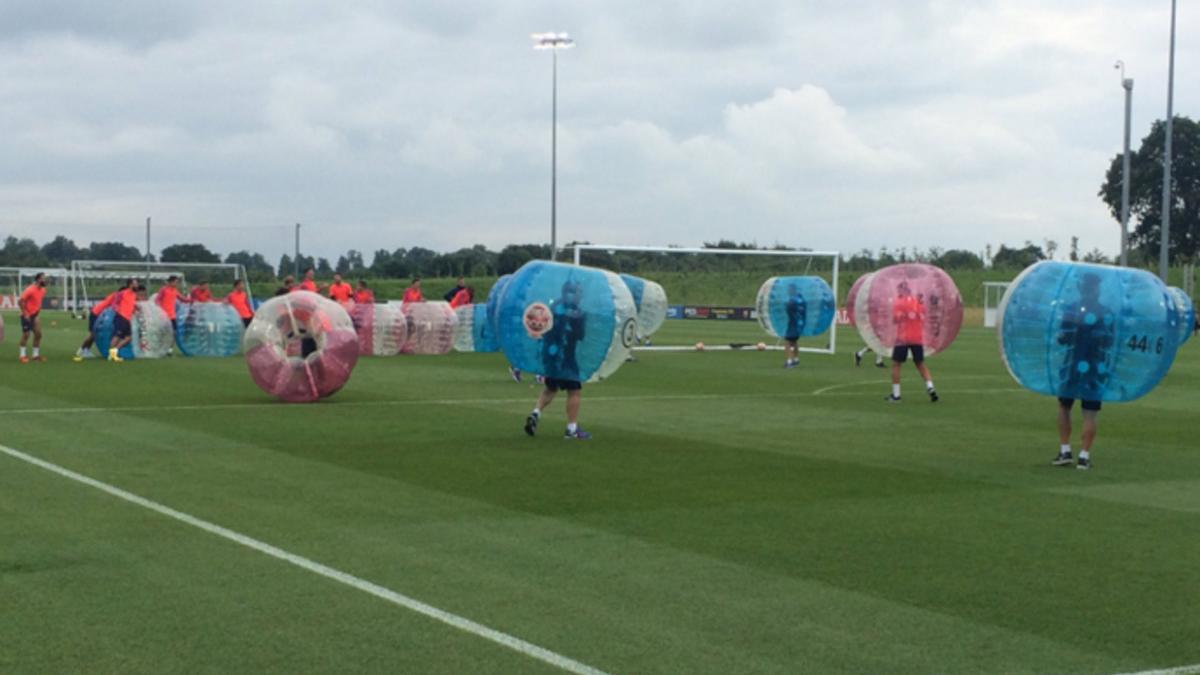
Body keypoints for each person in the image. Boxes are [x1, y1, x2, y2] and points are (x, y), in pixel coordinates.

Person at [1052, 273, 1113, 471]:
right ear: (1097, 288)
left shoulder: (1071, 310)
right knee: (1090, 413)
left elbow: (1062, 338)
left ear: (1081, 287)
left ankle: (1065, 450)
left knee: (1064, 406)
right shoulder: (1106, 312)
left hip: (1071, 365)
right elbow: (1110, 342)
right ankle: (1084, 456)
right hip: (1096, 367)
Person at [524, 279, 591, 440]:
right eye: (578, 292)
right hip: (567, 356)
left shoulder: (553, 307)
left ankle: (535, 413)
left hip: (551, 354)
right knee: (574, 391)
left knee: (550, 388)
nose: (580, 296)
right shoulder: (577, 312)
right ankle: (571, 429)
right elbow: (580, 336)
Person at [885, 281, 938, 403]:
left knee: (896, 364)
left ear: (902, 291)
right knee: (920, 364)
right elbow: (923, 317)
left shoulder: (899, 302)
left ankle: (896, 395)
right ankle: (930, 387)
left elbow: (895, 320)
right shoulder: (918, 303)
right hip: (917, 338)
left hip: (902, 338)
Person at [75, 283, 125, 361]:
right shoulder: (118, 296)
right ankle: (81, 349)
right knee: (93, 334)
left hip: (97, 312)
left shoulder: (115, 295)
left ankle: (85, 350)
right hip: (97, 313)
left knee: (94, 335)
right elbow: (114, 307)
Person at [18, 272, 47, 363]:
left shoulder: (43, 290)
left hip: (35, 315)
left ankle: (35, 356)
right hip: (26, 315)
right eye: (43, 278)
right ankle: (22, 356)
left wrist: (37, 312)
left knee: (38, 334)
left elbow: (36, 302)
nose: (45, 280)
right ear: (38, 279)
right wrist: (25, 314)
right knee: (26, 335)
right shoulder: (30, 289)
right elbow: (20, 301)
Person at [109, 281, 140, 362]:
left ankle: (114, 352)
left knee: (128, 338)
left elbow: (130, 305)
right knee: (117, 336)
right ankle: (112, 355)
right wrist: (118, 310)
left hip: (127, 319)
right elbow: (114, 303)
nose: (137, 285)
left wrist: (136, 309)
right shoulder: (122, 293)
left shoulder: (134, 294)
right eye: (135, 284)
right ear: (130, 285)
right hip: (121, 318)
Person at [156, 275, 184, 350]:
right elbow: (158, 299)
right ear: (171, 282)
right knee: (163, 332)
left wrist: (192, 300)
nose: (177, 284)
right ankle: (160, 347)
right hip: (164, 315)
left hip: (172, 315)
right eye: (176, 282)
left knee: (174, 332)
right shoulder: (164, 289)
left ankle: (170, 349)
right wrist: (159, 308)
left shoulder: (175, 291)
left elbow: (182, 299)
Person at [782, 283, 806, 369]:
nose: (788, 291)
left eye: (789, 289)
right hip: (799, 324)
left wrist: (786, 306)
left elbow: (788, 309)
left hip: (793, 324)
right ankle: (796, 359)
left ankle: (789, 361)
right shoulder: (801, 299)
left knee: (787, 342)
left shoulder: (793, 301)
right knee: (794, 342)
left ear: (793, 290)